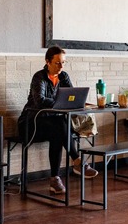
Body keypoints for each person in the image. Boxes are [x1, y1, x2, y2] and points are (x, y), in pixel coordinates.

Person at [17, 46, 97, 195]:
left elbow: (73, 98)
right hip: (30, 125)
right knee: (59, 125)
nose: (61, 66)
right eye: (58, 63)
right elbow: (40, 100)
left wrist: (73, 98)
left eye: (63, 63)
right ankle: (77, 162)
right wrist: (60, 101)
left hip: (52, 125)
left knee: (58, 129)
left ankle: (55, 179)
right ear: (47, 62)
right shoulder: (39, 77)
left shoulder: (63, 76)